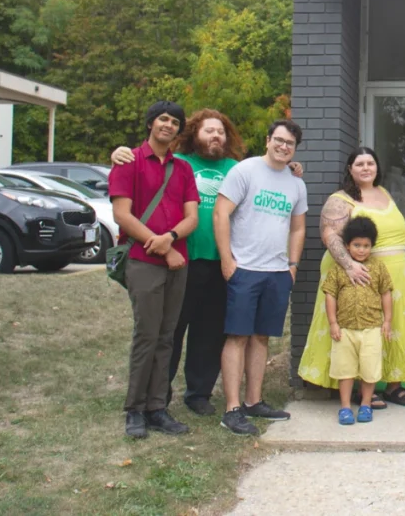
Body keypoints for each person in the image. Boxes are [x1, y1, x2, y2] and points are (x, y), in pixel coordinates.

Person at [111, 110, 303, 417]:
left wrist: (290, 167)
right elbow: (147, 163)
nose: (216, 137)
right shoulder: (180, 164)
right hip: (182, 260)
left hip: (224, 263)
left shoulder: (235, 168)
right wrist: (120, 153)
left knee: (210, 332)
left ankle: (198, 393)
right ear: (192, 134)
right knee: (171, 330)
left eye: (221, 132)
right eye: (208, 131)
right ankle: (158, 395)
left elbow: (268, 173)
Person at [297, 147, 405, 408]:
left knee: (394, 329)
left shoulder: (385, 193)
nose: (366, 168)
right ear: (350, 169)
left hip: (397, 275)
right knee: (361, 329)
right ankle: (363, 387)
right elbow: (330, 235)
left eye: (370, 162)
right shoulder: (341, 199)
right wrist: (349, 267)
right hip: (361, 275)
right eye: (360, 164)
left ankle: (394, 385)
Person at [109, 100, 200, 439]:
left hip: (178, 259)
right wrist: (160, 245)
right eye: (163, 119)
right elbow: (122, 215)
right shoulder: (128, 162)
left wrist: (172, 238)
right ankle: (134, 409)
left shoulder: (183, 170)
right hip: (143, 260)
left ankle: (157, 408)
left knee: (167, 335)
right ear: (151, 123)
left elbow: (192, 216)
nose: (169, 125)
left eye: (175, 121)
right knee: (146, 335)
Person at [214, 120, 308, 436]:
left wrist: (292, 266)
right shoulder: (245, 171)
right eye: (279, 140)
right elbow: (220, 213)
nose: (284, 147)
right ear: (267, 140)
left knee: (262, 338)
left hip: (277, 272)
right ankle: (232, 408)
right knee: (237, 336)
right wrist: (227, 260)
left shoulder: (296, 183)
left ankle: (254, 402)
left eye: (290, 144)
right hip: (244, 269)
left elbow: (298, 227)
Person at [322, 216, 393, 425]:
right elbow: (330, 295)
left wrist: (387, 321)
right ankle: (345, 407)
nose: (361, 250)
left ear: (372, 246)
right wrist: (333, 323)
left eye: (366, 246)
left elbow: (386, 293)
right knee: (345, 370)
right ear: (347, 245)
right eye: (356, 245)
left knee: (369, 370)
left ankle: (366, 404)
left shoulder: (378, 268)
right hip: (344, 330)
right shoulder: (339, 270)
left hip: (372, 328)